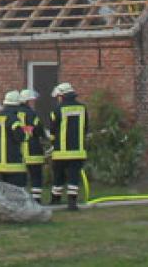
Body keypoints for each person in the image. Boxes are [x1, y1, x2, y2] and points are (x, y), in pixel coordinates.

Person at [49, 82, 87, 211]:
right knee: (73, 176)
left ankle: (55, 199)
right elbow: (86, 127)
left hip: (61, 151)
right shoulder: (82, 108)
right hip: (78, 150)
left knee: (58, 175)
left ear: (62, 96)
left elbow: (53, 130)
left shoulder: (57, 110)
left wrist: (52, 142)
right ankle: (72, 203)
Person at [0, 90, 27, 187]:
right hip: (14, 164)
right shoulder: (14, 119)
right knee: (18, 193)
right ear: (17, 105)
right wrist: (27, 131)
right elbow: (20, 137)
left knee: (4, 195)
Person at [17, 88, 47, 203]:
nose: (33, 102)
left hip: (18, 151)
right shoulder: (31, 114)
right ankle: (36, 200)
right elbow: (39, 130)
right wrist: (45, 137)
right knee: (36, 176)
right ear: (28, 101)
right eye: (32, 100)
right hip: (33, 149)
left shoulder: (14, 113)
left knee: (21, 177)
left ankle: (22, 200)